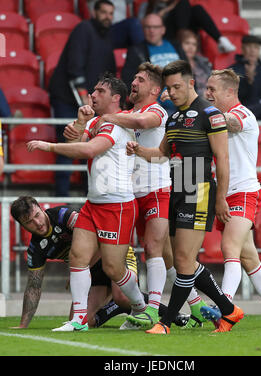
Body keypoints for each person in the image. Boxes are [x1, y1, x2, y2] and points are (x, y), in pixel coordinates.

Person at [126, 60, 244, 334]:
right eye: (169, 88)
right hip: (177, 188)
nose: (173, 92)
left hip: (198, 189)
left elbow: (223, 160)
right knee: (185, 260)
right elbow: (161, 153)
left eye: (178, 86)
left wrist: (221, 198)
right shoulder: (175, 117)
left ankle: (165, 323)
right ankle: (229, 311)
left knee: (181, 260)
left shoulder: (210, 114)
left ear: (192, 83)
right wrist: (138, 150)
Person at [27, 75, 147, 332]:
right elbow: (76, 145)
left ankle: (140, 308)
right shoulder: (96, 121)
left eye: (99, 90)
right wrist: (81, 123)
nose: (92, 94)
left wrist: (49, 146)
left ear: (115, 97)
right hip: (93, 204)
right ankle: (78, 320)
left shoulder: (117, 124)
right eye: (93, 90)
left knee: (114, 269)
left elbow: (89, 150)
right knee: (78, 256)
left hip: (118, 206)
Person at [199, 69, 261, 329]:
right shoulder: (217, 116)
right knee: (249, 258)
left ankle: (225, 308)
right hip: (226, 192)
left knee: (229, 249)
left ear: (230, 92)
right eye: (206, 89)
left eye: (212, 89)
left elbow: (229, 121)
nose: (207, 94)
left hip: (244, 191)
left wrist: (196, 107)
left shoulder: (244, 115)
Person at [9, 196, 187, 329]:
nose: (37, 223)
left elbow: (99, 238)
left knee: (122, 296)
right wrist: (23, 324)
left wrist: (79, 268)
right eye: (29, 222)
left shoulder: (63, 215)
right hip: (90, 271)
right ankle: (117, 307)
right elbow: (34, 286)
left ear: (41, 208)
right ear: (22, 226)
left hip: (116, 256)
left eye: (37, 215)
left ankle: (172, 315)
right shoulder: (35, 248)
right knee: (87, 320)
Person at [92, 62, 173, 327]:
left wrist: (108, 117)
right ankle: (192, 307)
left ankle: (151, 310)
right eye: (134, 78)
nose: (133, 83)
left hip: (157, 190)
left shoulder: (157, 111)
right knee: (153, 256)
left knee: (153, 248)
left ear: (154, 88)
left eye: (140, 79)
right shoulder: (126, 115)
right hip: (130, 194)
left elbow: (141, 121)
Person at [48, 0, 116, 197]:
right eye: (103, 12)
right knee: (69, 141)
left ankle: (89, 194)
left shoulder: (106, 37)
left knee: (89, 145)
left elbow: (108, 74)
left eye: (111, 13)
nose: (107, 17)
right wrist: (86, 98)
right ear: (94, 12)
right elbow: (74, 67)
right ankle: (61, 197)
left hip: (89, 100)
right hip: (67, 98)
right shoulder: (83, 29)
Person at [121, 13, 187, 93]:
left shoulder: (176, 46)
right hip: (156, 101)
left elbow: (188, 72)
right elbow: (128, 81)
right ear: (143, 29)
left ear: (163, 29)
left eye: (155, 27)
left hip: (183, 98)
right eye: (148, 27)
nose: (151, 30)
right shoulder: (136, 51)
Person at [138, 0, 236, 53]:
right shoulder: (146, 6)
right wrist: (165, 11)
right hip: (165, 35)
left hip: (182, 31)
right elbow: (144, 26)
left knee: (197, 9)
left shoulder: (177, 4)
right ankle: (181, 43)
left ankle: (220, 39)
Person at [178, 29, 211, 97]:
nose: (191, 47)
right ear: (180, 45)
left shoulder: (203, 62)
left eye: (194, 44)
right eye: (187, 43)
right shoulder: (177, 65)